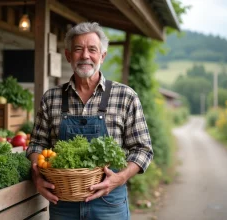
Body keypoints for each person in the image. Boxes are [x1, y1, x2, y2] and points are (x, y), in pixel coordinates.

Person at [26, 22, 153, 220]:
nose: (85, 55)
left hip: (110, 203)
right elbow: (36, 144)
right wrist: (37, 176)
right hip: (63, 203)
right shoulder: (51, 98)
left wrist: (119, 178)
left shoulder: (125, 96)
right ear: (68, 55)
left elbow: (143, 149)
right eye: (78, 49)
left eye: (92, 49)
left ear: (102, 56)